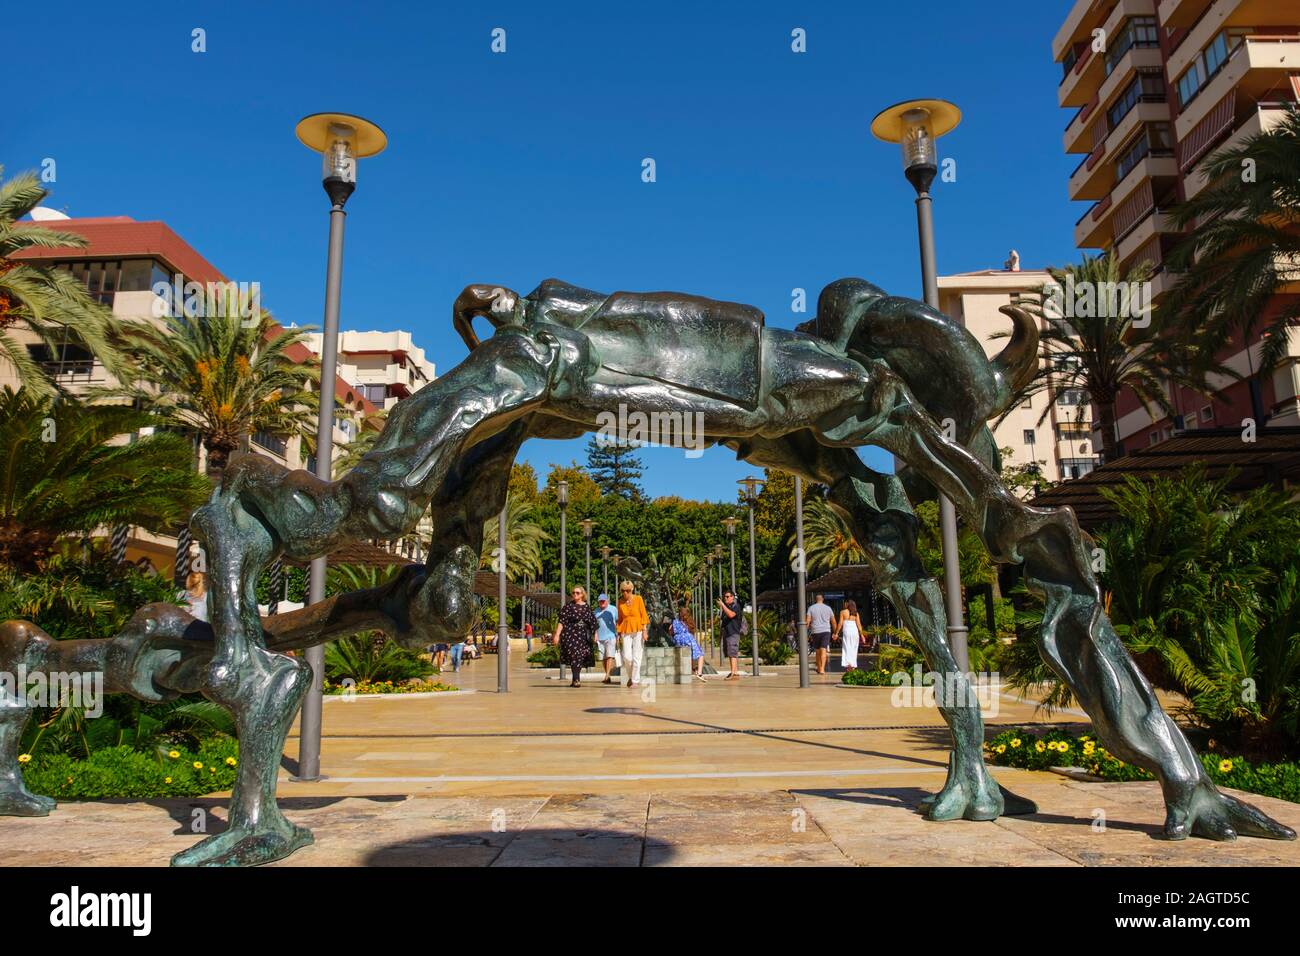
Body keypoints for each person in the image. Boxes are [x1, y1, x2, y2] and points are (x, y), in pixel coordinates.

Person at [552, 585, 599, 686]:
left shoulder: (587, 607)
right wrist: (557, 635)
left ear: (582, 594)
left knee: (580, 656)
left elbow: (593, 622)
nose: (574, 594)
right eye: (573, 593)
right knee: (574, 655)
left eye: (577, 593)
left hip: (583, 635)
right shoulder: (568, 607)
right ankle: (577, 679)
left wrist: (595, 634)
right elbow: (562, 622)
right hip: (570, 634)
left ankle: (575, 679)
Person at [616, 579, 648, 687]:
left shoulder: (638, 599)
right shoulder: (620, 602)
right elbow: (620, 619)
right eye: (623, 591)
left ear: (632, 590)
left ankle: (635, 680)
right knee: (627, 657)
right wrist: (618, 632)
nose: (625, 593)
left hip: (638, 629)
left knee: (636, 657)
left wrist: (645, 631)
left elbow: (643, 615)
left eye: (628, 590)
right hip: (625, 630)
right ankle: (631, 677)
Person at [671, 601, 708, 682]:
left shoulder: (675, 621)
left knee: (688, 654)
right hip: (688, 638)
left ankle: (694, 670)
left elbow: (672, 632)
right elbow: (692, 631)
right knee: (700, 654)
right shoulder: (689, 621)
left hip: (677, 640)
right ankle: (699, 673)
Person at [806, 593, 836, 675]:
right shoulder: (828, 608)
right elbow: (833, 621)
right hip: (826, 631)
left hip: (815, 631)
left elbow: (807, 621)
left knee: (818, 651)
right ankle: (822, 669)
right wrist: (835, 633)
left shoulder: (811, 608)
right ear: (823, 599)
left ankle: (819, 668)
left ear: (816, 599)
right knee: (823, 649)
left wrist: (805, 633)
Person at [716, 589, 743, 680]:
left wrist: (723, 605)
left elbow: (731, 615)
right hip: (727, 633)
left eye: (727, 597)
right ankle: (734, 672)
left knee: (732, 653)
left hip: (733, 633)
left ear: (732, 597)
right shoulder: (726, 608)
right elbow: (723, 622)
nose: (725, 598)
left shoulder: (736, 606)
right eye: (725, 597)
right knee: (730, 653)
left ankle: (734, 673)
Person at [593, 592, 619, 684]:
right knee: (603, 658)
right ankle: (607, 675)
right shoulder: (596, 611)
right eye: (600, 601)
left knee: (609, 656)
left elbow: (618, 621)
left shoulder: (613, 609)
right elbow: (594, 625)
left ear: (607, 601)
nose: (602, 602)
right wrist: (595, 634)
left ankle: (607, 675)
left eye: (604, 601)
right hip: (600, 637)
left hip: (611, 636)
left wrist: (618, 635)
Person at [838, 599, 863, 671]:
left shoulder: (842, 612)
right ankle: (853, 665)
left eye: (845, 603)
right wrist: (862, 635)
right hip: (854, 632)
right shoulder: (856, 613)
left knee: (847, 648)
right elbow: (859, 625)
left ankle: (848, 665)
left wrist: (836, 632)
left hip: (847, 631)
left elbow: (840, 623)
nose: (844, 604)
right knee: (854, 648)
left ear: (848, 604)